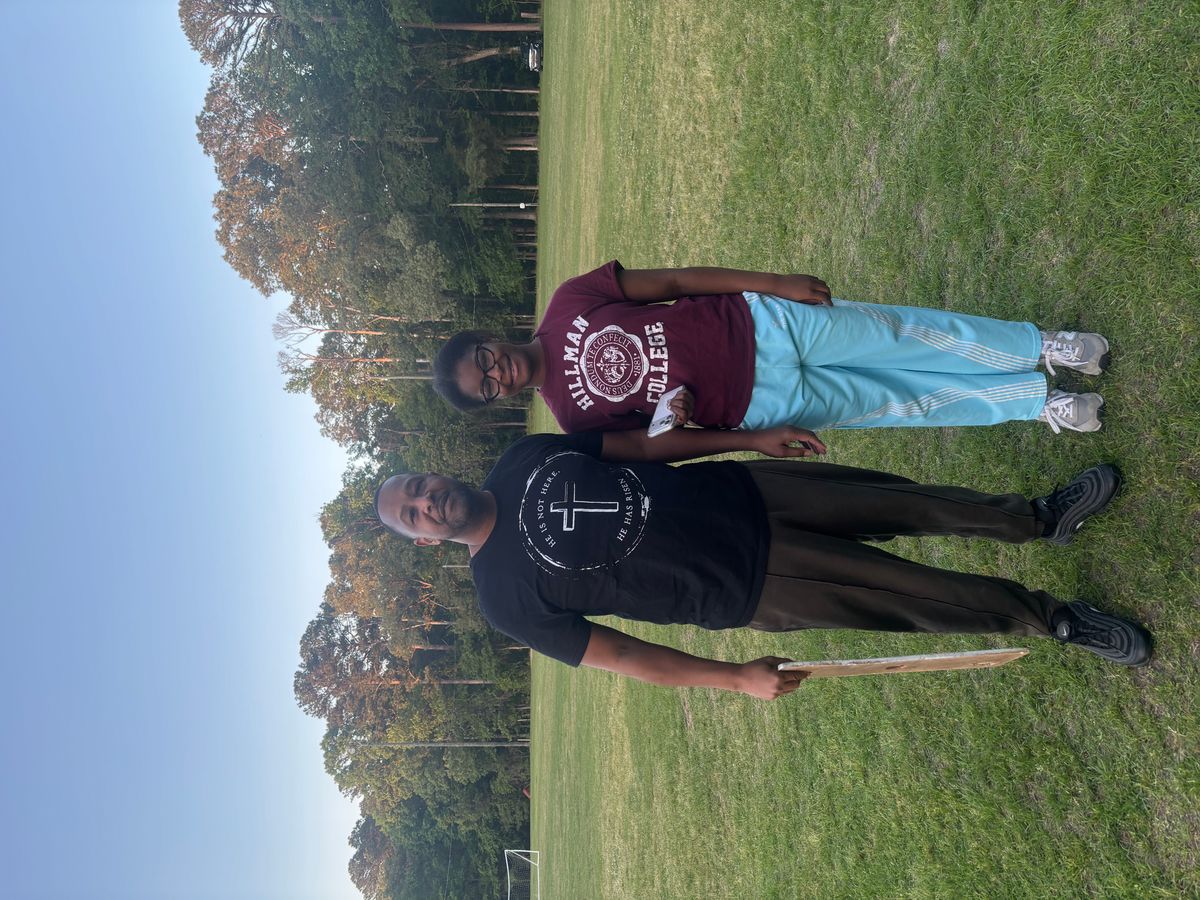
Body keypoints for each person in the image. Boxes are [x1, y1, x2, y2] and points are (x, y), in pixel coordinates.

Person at [374, 433, 1151, 701]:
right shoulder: (502, 598)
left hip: (748, 489)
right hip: (747, 581)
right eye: (413, 514)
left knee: (906, 501)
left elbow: (640, 447)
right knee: (918, 595)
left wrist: (748, 439)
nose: (426, 501)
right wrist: (732, 678)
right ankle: (1053, 619)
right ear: (423, 541)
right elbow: (622, 655)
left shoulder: (522, 457)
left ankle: (1039, 519)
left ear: (431, 472)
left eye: (417, 486)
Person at [433, 263, 1110, 461]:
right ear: (496, 402)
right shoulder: (571, 419)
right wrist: (751, 440)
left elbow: (674, 281)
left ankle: (1042, 348)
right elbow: (654, 445)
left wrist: (773, 284)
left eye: (483, 359)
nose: (497, 373)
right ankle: (1038, 403)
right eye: (486, 387)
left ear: (486, 339)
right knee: (905, 401)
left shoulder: (569, 302)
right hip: (760, 406)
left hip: (766, 324)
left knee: (905, 337)